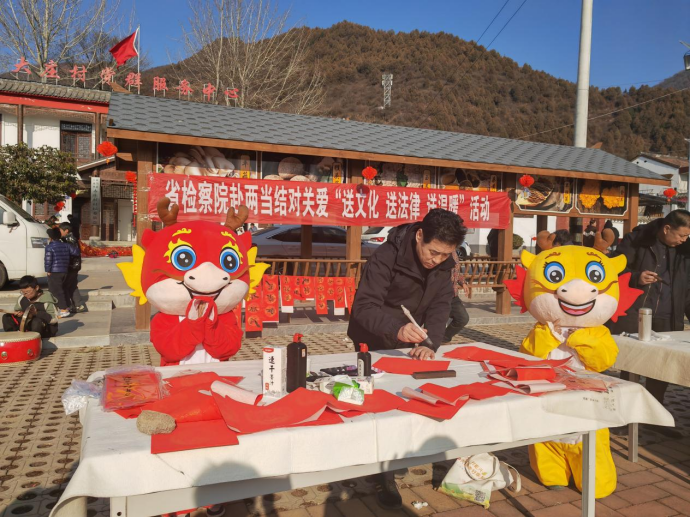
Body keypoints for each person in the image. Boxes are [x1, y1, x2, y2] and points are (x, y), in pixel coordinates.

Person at [348, 209, 467, 510]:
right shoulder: (386, 255)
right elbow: (364, 306)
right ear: (419, 236)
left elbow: (441, 305)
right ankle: (383, 475)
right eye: (433, 252)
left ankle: (411, 455)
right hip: (373, 336)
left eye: (445, 254)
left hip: (411, 336)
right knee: (380, 405)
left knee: (413, 398)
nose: (437, 260)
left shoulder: (445, 263)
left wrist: (431, 343)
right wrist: (396, 329)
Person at [607, 210, 690, 439]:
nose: (684, 240)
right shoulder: (638, 240)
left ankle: (654, 417)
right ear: (667, 229)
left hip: (669, 315)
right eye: (681, 235)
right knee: (631, 366)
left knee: (663, 368)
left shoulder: (685, 251)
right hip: (637, 312)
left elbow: (688, 290)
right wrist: (636, 277)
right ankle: (624, 416)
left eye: (687, 236)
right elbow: (614, 268)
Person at [45, 227, 79, 318]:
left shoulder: (49, 247)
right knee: (62, 289)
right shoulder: (66, 245)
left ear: (51, 237)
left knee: (56, 291)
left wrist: (48, 270)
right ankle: (67, 306)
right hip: (65, 271)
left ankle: (63, 309)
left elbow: (48, 260)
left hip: (54, 271)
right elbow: (76, 252)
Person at [443, 249, 471, 344]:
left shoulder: (454, 252)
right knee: (437, 321)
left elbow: (456, 272)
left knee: (462, 318)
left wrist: (463, 283)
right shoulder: (439, 250)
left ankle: (444, 337)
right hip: (440, 294)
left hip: (453, 294)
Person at [59, 222, 85, 313]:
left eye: (60, 230)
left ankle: (68, 306)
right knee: (73, 285)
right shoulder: (73, 238)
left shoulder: (67, 240)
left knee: (65, 286)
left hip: (70, 266)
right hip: (75, 266)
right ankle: (79, 305)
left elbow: (70, 254)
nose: (59, 232)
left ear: (66, 230)